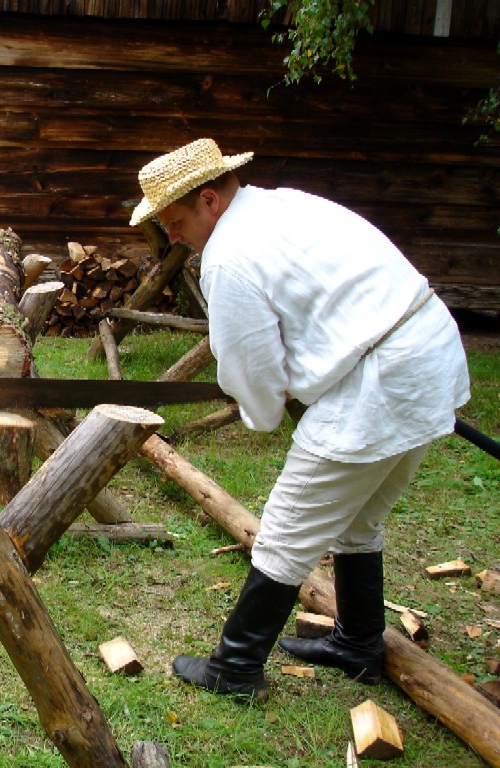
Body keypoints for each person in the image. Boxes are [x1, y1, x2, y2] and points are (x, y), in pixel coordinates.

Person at [129, 138, 470, 698]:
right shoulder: (278, 205)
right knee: (358, 517)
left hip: (382, 379)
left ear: (210, 200)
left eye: (174, 221)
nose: (173, 236)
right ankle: (359, 642)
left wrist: (260, 411)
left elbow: (252, 366)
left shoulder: (229, 258)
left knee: (285, 529)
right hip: (426, 353)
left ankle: (236, 667)